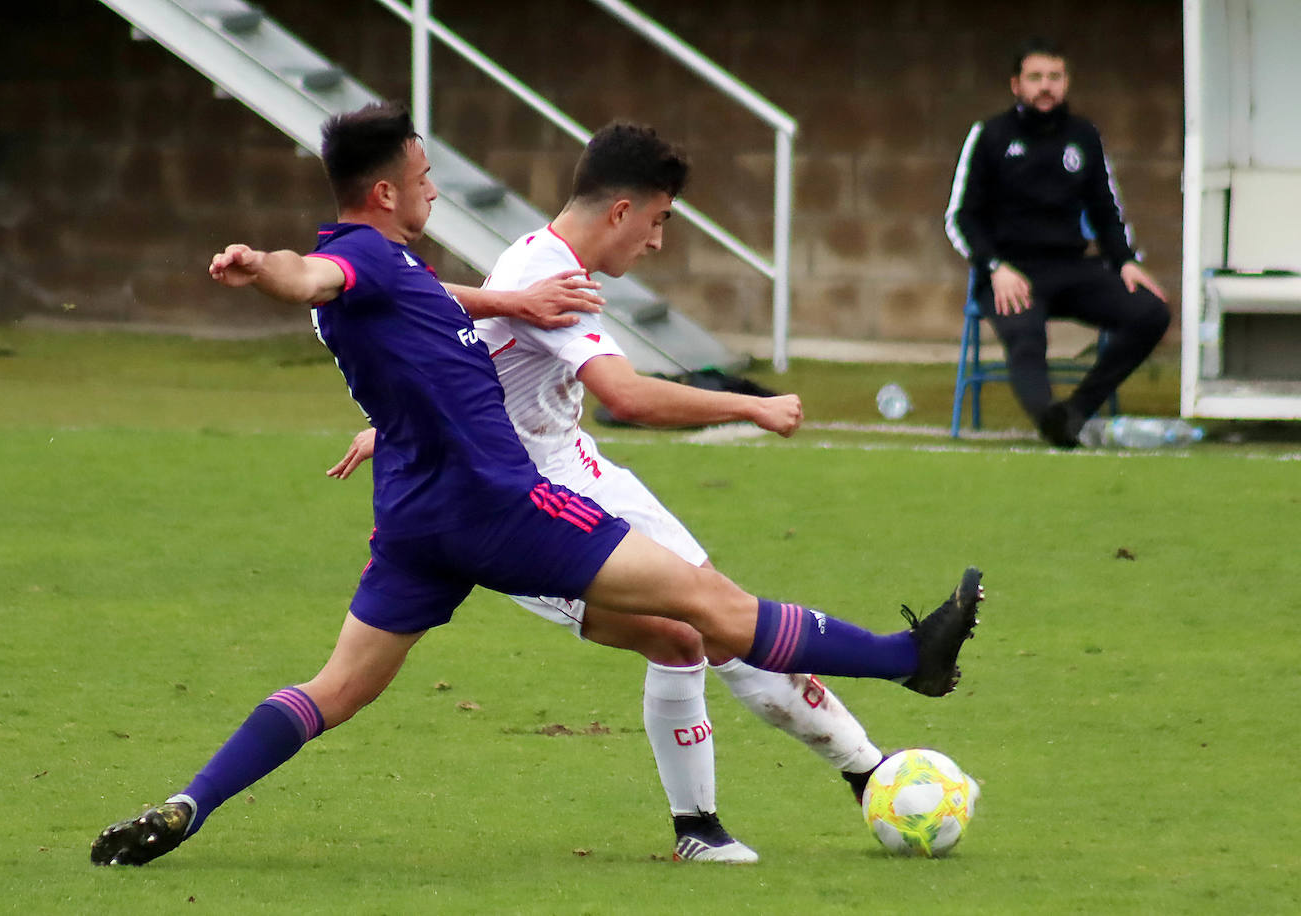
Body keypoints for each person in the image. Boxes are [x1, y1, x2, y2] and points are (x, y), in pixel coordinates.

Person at [90, 102, 984, 868]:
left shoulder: (397, 270)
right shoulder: (351, 262)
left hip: (413, 516)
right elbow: (314, 275)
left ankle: (188, 803)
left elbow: (431, 305)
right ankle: (908, 660)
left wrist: (506, 306)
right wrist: (265, 269)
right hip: (502, 502)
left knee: (337, 689)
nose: (436, 187)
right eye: (424, 174)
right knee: (707, 605)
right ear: (386, 192)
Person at [325, 121, 895, 863]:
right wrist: (751, 406)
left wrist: (393, 429)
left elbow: (467, 360)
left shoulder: (548, 266)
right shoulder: (541, 271)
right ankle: (783, 796)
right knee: (691, 631)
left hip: (585, 472)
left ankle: (848, 776)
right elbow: (627, 396)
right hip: (515, 507)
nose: (657, 242)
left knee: (719, 618)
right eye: (658, 221)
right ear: (621, 212)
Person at [944, 36, 1172, 448]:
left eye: (1054, 77)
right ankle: (1051, 420)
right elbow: (961, 218)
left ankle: (1075, 411)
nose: (1045, 86)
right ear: (1017, 85)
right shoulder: (990, 135)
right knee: (1028, 335)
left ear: (1066, 82)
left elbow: (1106, 209)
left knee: (1151, 312)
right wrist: (995, 268)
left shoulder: (1084, 136)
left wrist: (1124, 260)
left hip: (1071, 269)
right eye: (1035, 78)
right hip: (1010, 272)